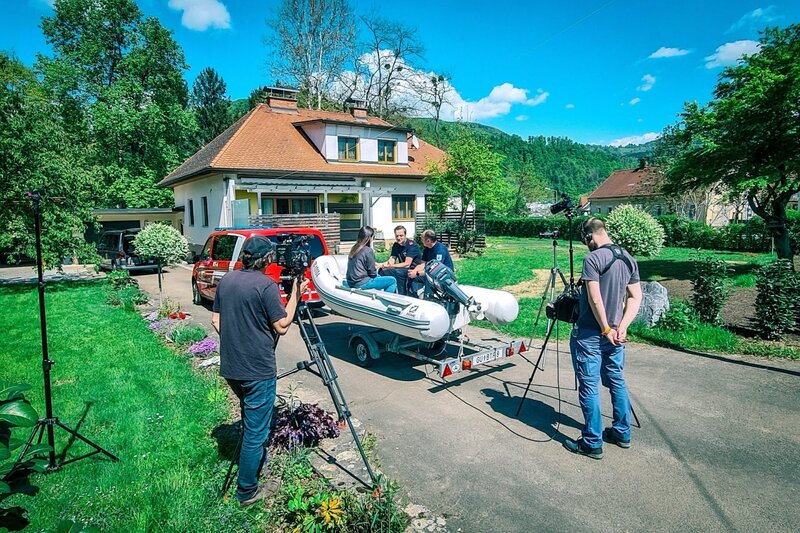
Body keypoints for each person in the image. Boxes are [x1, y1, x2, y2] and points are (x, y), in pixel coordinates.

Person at [211, 236, 309, 507]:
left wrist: (238, 339)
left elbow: (215, 319)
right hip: (257, 370)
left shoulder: (227, 280)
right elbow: (282, 325)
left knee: (250, 419)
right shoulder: (265, 285)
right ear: (266, 259)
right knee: (256, 433)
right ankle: (247, 492)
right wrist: (296, 295)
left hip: (231, 367)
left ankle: (252, 465)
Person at [564, 217, 642, 460]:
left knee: (590, 386)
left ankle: (592, 442)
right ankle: (621, 432)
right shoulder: (627, 257)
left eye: (585, 240)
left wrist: (605, 328)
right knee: (616, 381)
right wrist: (622, 327)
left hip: (591, 333)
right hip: (617, 334)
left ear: (589, 237)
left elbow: (595, 299)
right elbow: (636, 297)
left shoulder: (592, 259)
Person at [346, 226, 397, 293]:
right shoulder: (368, 250)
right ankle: (387, 298)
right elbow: (372, 273)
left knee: (380, 277)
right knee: (392, 280)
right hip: (362, 282)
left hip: (351, 282)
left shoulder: (354, 248)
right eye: (373, 237)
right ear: (369, 238)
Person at [376, 225, 422, 295]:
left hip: (413, 269)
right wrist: (381, 265)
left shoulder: (412, 245)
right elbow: (392, 259)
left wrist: (391, 266)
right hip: (402, 269)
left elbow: (407, 264)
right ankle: (387, 293)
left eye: (401, 236)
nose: (399, 238)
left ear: (405, 235)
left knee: (397, 272)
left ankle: (402, 295)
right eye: (397, 236)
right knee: (382, 271)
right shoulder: (396, 245)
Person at [408, 229, 454, 295]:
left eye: (422, 239)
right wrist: (414, 271)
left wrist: (417, 273)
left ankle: (429, 297)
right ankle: (414, 297)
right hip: (431, 273)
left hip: (443, 276)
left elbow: (435, 271)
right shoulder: (427, 249)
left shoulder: (440, 250)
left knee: (427, 279)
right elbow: (422, 264)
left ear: (428, 240)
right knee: (411, 278)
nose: (421, 241)